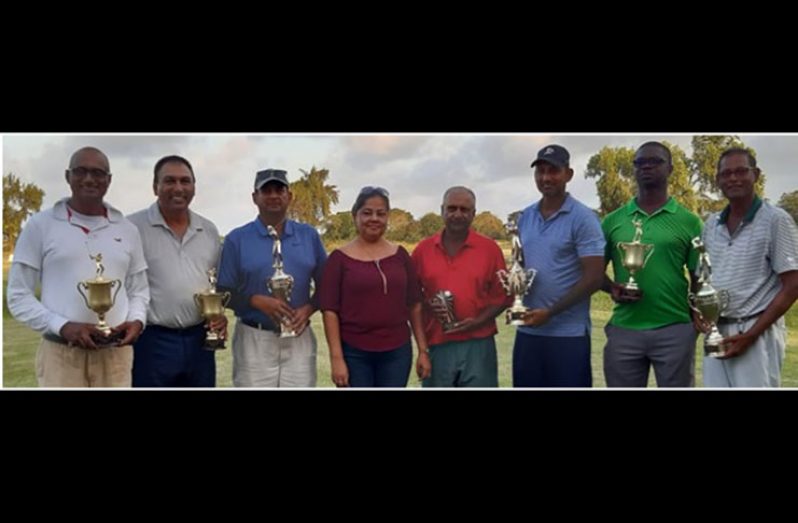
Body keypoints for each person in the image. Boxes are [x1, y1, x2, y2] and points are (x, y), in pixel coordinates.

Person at [6, 146, 149, 387]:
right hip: (61, 356)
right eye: (80, 171)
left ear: (109, 180)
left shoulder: (127, 229)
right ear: (67, 176)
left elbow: (139, 290)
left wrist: (136, 320)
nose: (89, 179)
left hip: (115, 356)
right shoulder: (41, 225)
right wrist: (62, 327)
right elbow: (18, 295)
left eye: (98, 173)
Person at [601, 141, 702, 387]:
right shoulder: (613, 221)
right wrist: (612, 288)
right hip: (624, 328)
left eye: (655, 161)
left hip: (674, 328)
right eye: (639, 163)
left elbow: (698, 275)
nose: (646, 167)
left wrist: (695, 316)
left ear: (670, 169)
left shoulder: (689, 222)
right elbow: (593, 270)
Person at [216, 169, 327, 387]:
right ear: (254, 197)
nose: (274, 195)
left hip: (299, 336)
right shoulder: (236, 239)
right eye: (266, 190)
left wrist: (309, 309)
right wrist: (254, 300)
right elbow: (222, 290)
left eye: (279, 190)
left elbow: (327, 286)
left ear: (290, 196)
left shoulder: (309, 235)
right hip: (253, 338)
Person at [699, 148, 798, 387]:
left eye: (741, 171)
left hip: (757, 330)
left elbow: (793, 284)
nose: (733, 178)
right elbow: (704, 278)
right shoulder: (712, 224)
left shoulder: (776, 219)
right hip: (717, 329)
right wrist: (700, 313)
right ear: (718, 180)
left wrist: (751, 335)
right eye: (726, 173)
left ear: (756, 175)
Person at [127, 155, 225, 387]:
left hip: (199, 340)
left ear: (193, 187)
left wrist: (218, 316)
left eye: (185, 181)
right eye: (169, 181)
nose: (178, 188)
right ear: (155, 187)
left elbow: (215, 285)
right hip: (151, 341)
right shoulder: (131, 227)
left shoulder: (208, 230)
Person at [513, 145, 605, 387]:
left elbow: (594, 277)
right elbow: (520, 268)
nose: (545, 178)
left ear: (568, 174)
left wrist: (550, 313)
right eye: (540, 171)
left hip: (568, 335)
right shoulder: (525, 216)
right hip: (528, 332)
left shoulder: (583, 218)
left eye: (553, 171)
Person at [320, 186, 431, 387]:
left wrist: (423, 350)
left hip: (397, 352)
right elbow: (329, 311)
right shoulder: (339, 259)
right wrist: (337, 359)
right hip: (354, 352)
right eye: (367, 213)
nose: (374, 219)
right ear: (355, 216)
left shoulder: (400, 255)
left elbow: (414, 304)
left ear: (387, 217)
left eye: (381, 214)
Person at [412, 186, 509, 387]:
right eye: (452, 208)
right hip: (438, 342)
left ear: (473, 214)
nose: (458, 214)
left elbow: (503, 297)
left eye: (464, 210)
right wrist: (429, 305)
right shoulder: (423, 250)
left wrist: (478, 321)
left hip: (479, 343)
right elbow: (412, 300)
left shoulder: (489, 249)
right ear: (442, 211)